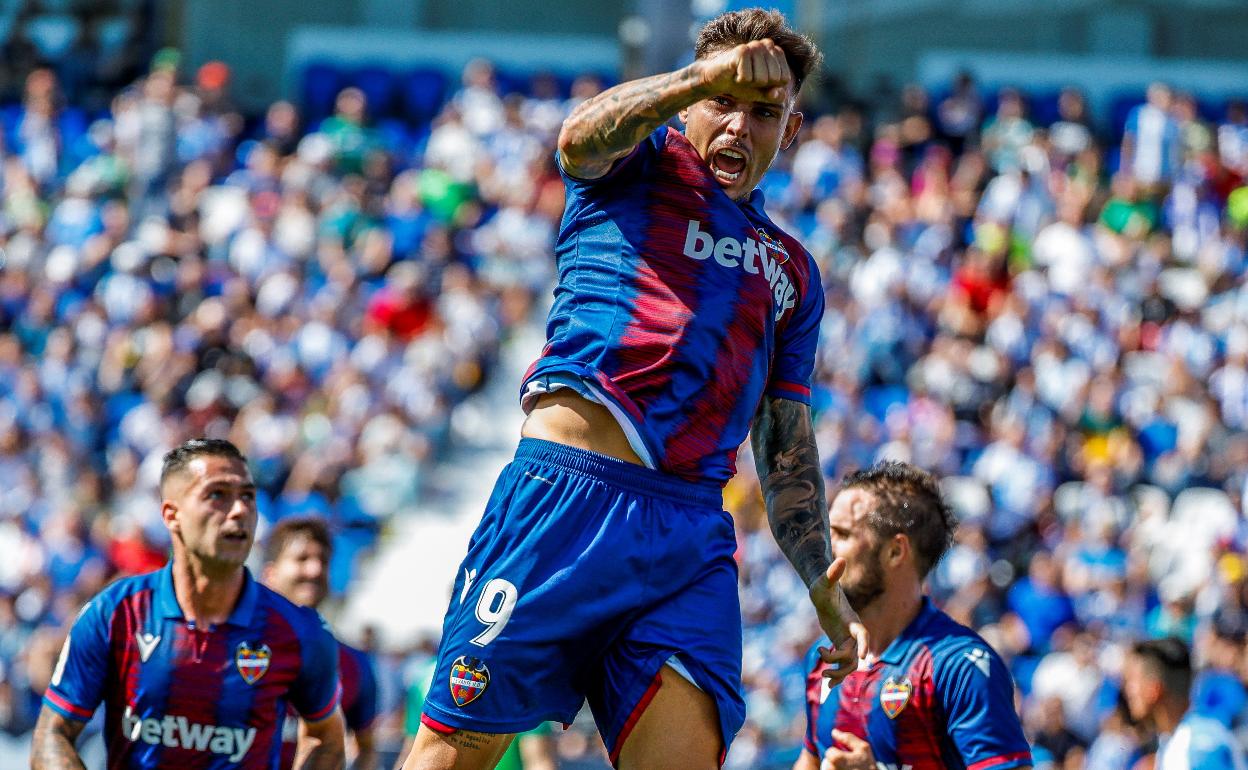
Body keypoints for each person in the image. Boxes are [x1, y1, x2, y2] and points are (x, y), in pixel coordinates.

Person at [403, 8, 866, 770]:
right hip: (563, 504)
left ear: (792, 131)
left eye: (763, 114)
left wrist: (820, 581)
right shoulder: (634, 168)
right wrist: (697, 76)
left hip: (688, 537)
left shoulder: (792, 271)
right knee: (450, 757)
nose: (738, 128)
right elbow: (578, 136)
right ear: (689, 102)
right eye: (722, 102)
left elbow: (784, 440)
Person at [31, 439, 346, 769]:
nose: (239, 510)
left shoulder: (298, 632)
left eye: (247, 497)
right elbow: (52, 734)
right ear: (172, 515)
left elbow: (326, 736)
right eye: (217, 495)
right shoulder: (114, 613)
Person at [794, 461, 1033, 770]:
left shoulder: (959, 667)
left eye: (842, 534)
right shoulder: (823, 657)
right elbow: (809, 762)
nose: (826, 546)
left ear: (895, 552)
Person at [263, 517, 379, 770]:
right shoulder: (237, 648)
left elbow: (366, 747)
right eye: (302, 559)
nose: (315, 570)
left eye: (323, 561)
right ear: (269, 573)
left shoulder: (352, 663)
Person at [1121, 637, 1248, 770]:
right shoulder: (1174, 740)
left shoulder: (1198, 746)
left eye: (1132, 680)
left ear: (1154, 689)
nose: (1127, 690)